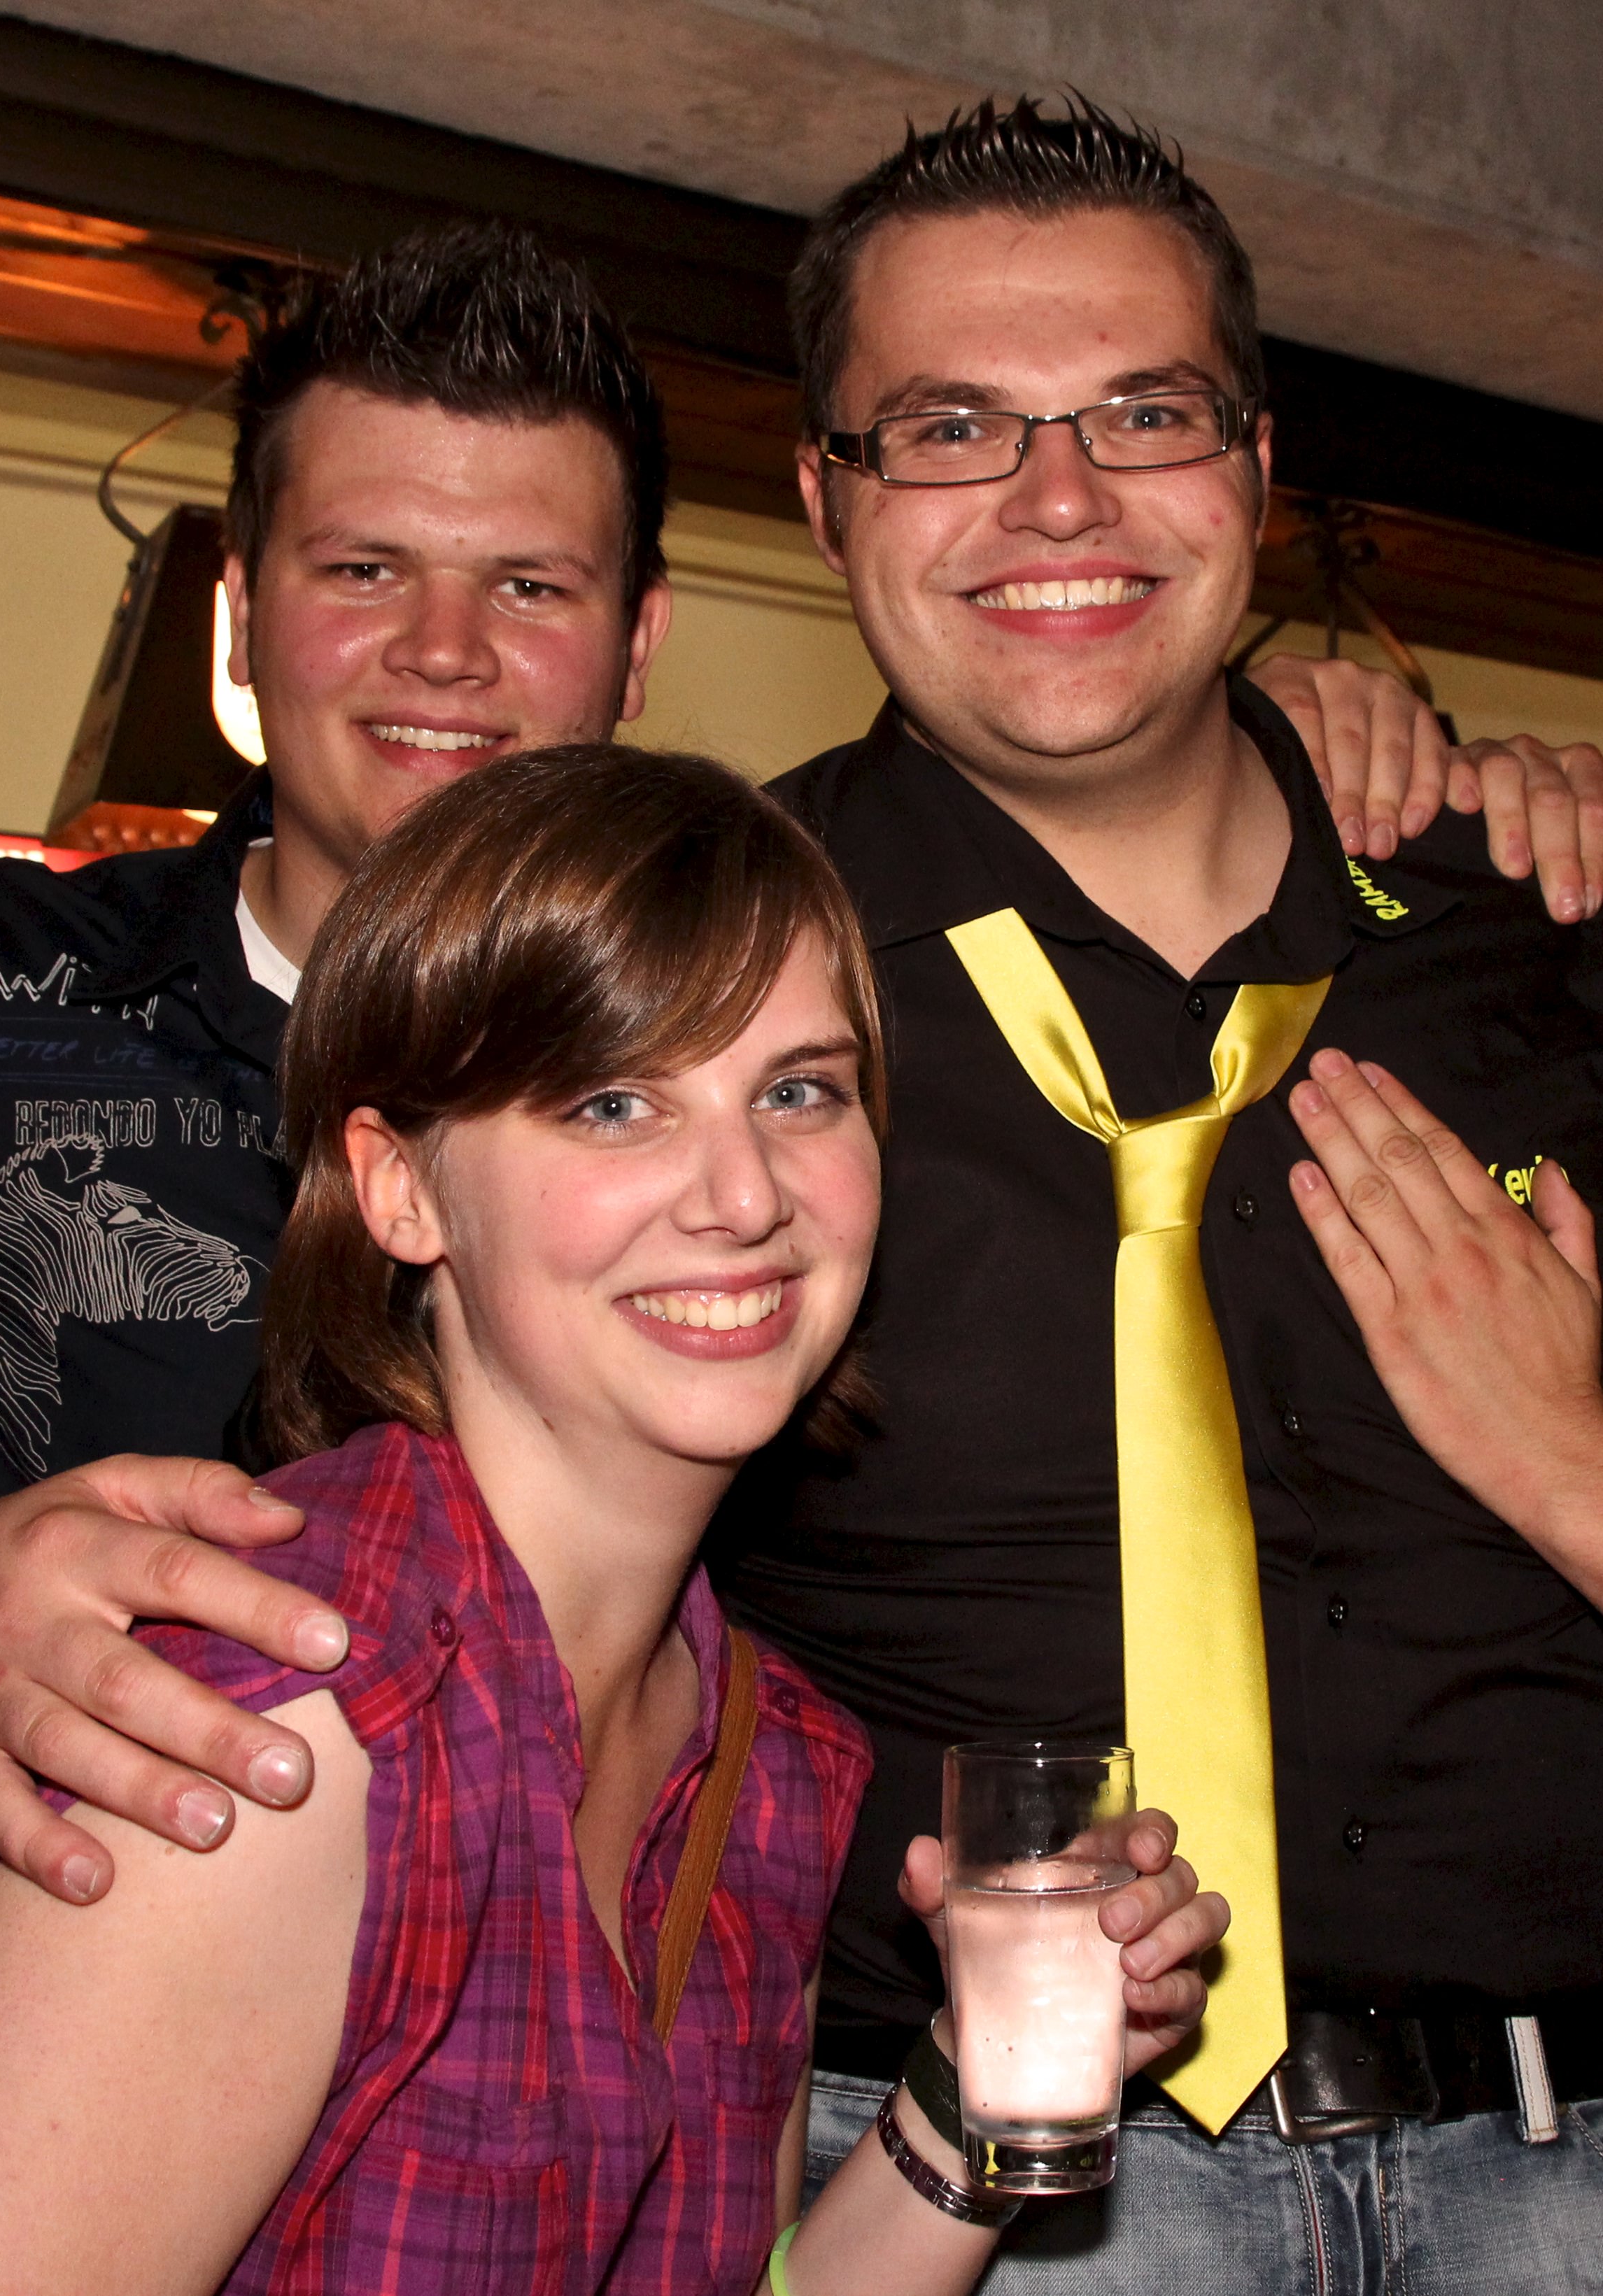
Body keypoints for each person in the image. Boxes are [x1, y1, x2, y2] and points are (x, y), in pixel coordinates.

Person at [0, 218, 1571, 1899]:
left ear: (636, 651)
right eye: (362, 569)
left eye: (531, 587)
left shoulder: (767, 1019)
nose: (443, 652)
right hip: (133, 1963)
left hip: (636, 2026)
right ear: (241, 616)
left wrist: (1306, 734)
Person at [0, 744, 1229, 2296]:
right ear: (399, 1189)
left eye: (798, 1091)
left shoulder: (768, 1753)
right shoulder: (271, 1733)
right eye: (614, 1103)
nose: (745, 1194)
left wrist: (983, 2078)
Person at [732, 97, 1603, 2288]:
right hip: (965, 2186)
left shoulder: (1546, 921)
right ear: (823, 497)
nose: (1061, 498)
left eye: (1146, 411)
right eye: (952, 425)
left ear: (1255, 470)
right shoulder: (690, 973)